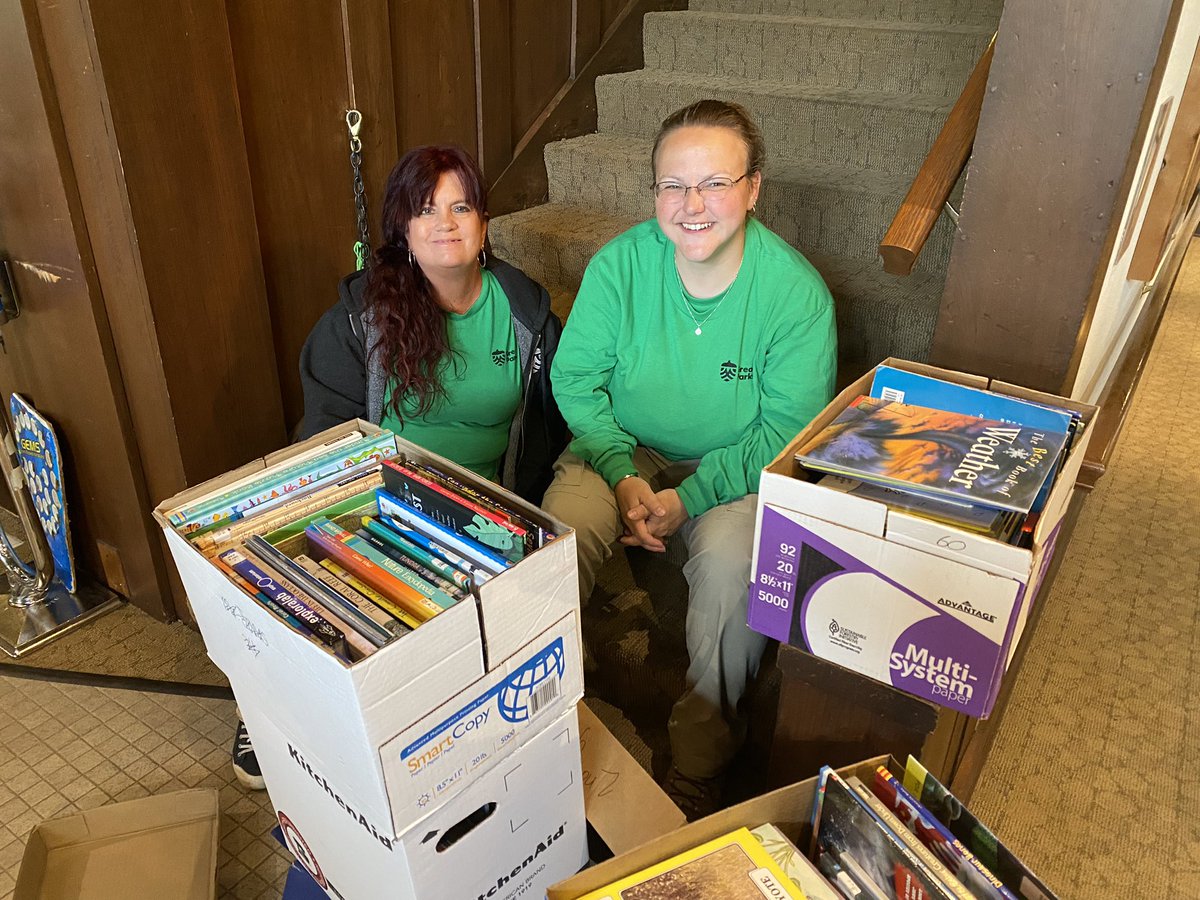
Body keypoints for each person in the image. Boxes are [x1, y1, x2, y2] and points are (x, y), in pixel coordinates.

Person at [230, 145, 567, 790]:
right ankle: (265, 704)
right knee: (295, 576)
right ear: (403, 230)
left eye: (460, 205)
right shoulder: (361, 317)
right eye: (424, 209)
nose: (445, 222)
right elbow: (325, 428)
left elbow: (554, 421)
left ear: (484, 221)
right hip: (375, 496)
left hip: (482, 508)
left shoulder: (524, 312)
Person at [541, 100, 837, 819]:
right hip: (624, 446)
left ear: (754, 188)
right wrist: (619, 471)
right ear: (654, 194)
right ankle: (535, 715)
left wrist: (689, 498)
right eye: (674, 185)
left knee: (736, 572)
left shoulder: (796, 295)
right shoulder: (620, 266)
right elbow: (575, 379)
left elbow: (786, 433)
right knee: (551, 543)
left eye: (714, 183)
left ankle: (701, 765)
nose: (692, 204)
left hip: (737, 469)